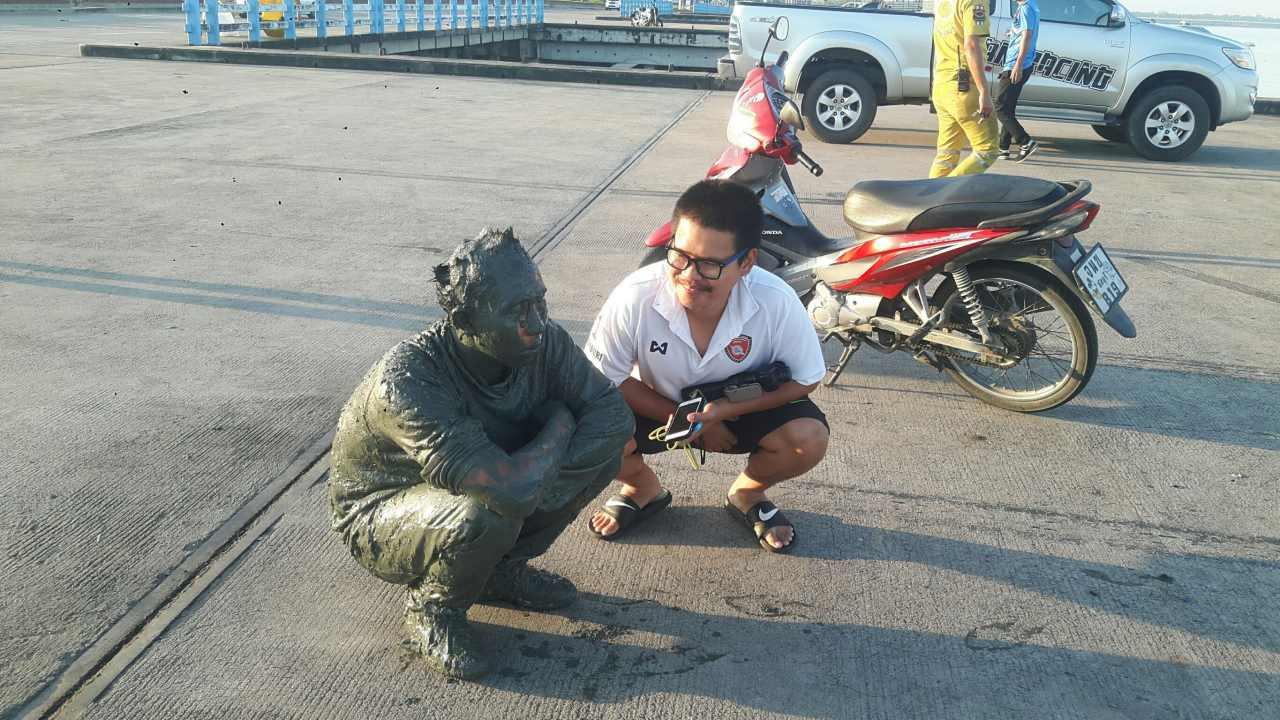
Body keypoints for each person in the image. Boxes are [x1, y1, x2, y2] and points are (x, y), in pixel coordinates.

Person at [327, 228, 633, 680]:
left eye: (539, 302)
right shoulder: (409, 378)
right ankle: (434, 608)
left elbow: (613, 416)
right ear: (464, 322)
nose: (536, 323)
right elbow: (509, 492)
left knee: (603, 456)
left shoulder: (546, 343)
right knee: (487, 511)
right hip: (381, 514)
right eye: (516, 311)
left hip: (489, 479)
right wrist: (560, 423)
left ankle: (498, 569)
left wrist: (533, 483)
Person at [583, 180, 829, 554]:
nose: (688, 275)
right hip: (656, 404)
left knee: (807, 439)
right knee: (584, 432)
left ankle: (748, 492)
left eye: (709, 265)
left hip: (741, 409)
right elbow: (605, 378)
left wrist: (723, 412)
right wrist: (692, 422)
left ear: (747, 262)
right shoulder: (635, 295)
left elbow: (806, 378)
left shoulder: (776, 301)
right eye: (680, 255)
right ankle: (641, 487)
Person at [929, 0, 1000, 178]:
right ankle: (948, 191)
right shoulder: (975, 2)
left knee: (946, 155)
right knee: (987, 149)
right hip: (963, 86)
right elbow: (971, 45)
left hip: (942, 84)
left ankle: (929, 193)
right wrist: (984, 92)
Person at [996, 0, 1040, 162]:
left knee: (1000, 107)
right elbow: (1023, 32)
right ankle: (1003, 148)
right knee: (1008, 108)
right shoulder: (1029, 6)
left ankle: (1025, 142)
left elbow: (1027, 35)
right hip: (1018, 63)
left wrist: (1018, 64)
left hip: (1016, 64)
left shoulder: (1027, 8)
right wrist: (1013, 33)